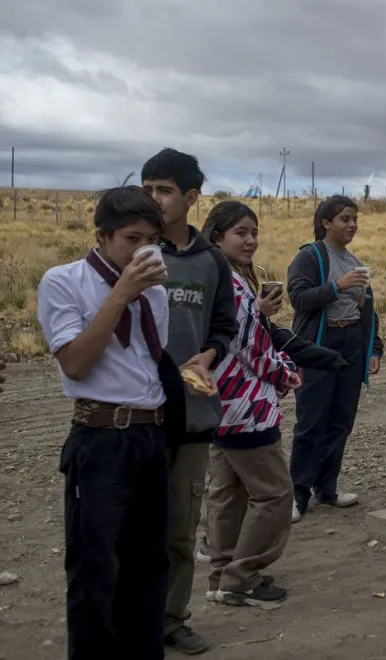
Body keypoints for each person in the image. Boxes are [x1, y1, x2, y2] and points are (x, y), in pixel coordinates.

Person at [36, 186, 183, 659]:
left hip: (149, 436)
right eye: (131, 238)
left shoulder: (156, 294)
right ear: (101, 235)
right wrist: (121, 293)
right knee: (96, 569)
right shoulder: (64, 282)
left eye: (152, 241)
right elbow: (76, 363)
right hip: (100, 438)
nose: (143, 251)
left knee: (149, 565)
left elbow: (140, 363)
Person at [142, 148, 238, 655]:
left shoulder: (210, 262)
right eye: (147, 188)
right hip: (135, 412)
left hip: (192, 414)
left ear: (191, 198)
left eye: (163, 190)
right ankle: (131, 618)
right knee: (135, 525)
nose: (153, 199)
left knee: (181, 527)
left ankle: (173, 619)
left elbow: (225, 325)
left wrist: (210, 354)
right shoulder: (133, 251)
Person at [199, 201, 306, 607]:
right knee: (276, 494)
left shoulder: (215, 278)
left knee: (227, 492)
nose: (250, 241)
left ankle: (220, 576)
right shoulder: (232, 285)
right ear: (216, 237)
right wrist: (288, 373)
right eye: (240, 232)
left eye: (253, 232)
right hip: (246, 407)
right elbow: (250, 348)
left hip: (218, 404)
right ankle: (241, 577)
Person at [287, 195, 384, 521]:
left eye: (354, 219)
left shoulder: (355, 260)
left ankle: (326, 489)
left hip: (352, 341)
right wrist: (337, 286)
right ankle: (297, 495)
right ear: (326, 222)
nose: (352, 225)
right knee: (312, 421)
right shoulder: (310, 257)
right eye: (344, 219)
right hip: (320, 342)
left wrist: (374, 348)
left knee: (341, 421)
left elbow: (368, 311)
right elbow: (299, 299)